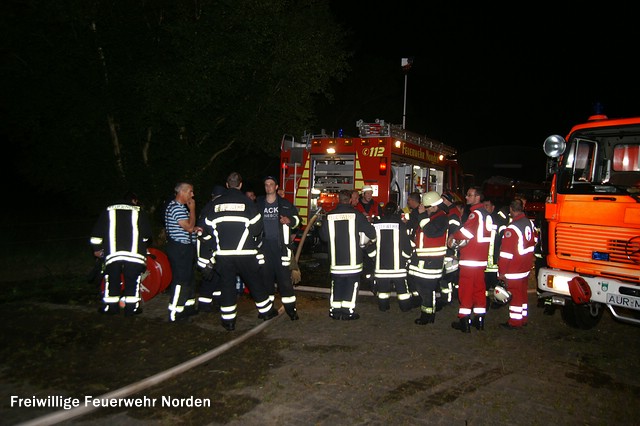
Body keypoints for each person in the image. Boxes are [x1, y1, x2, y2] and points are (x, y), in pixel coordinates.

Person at [200, 172, 278, 331]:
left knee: (227, 286)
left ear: (227, 185)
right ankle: (266, 312)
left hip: (224, 255)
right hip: (246, 254)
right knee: (255, 283)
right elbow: (257, 229)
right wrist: (251, 243)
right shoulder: (248, 203)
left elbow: (207, 229)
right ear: (241, 185)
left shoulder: (215, 205)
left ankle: (228, 321)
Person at [90, 191, 153, 316]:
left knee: (112, 280)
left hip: (113, 253)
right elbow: (146, 235)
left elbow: (97, 233)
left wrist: (97, 248)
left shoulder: (108, 210)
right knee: (132, 280)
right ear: (134, 200)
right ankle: (131, 309)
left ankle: (111, 308)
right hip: (134, 254)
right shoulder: (139, 211)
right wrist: (142, 244)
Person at [320, 189, 376, 320]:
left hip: (336, 260)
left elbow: (323, 236)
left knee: (337, 285)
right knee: (351, 286)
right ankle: (347, 312)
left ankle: (335, 311)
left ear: (338, 199)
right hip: (353, 261)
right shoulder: (357, 215)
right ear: (350, 200)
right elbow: (372, 233)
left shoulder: (329, 216)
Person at [256, 175, 301, 321]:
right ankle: (267, 310)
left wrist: (290, 220)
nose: (268, 187)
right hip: (264, 248)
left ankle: (291, 310)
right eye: (266, 184)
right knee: (265, 280)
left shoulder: (285, 204)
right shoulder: (258, 205)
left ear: (276, 187)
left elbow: (298, 221)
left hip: (281, 248)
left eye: (271, 184)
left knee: (285, 281)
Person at [448, 186, 492, 333]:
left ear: (477, 197)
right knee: (479, 290)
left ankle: (464, 321)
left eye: (469, 195)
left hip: (470, 259)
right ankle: (479, 319)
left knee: (466, 290)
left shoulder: (475, 215)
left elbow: (466, 232)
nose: (466, 197)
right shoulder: (486, 214)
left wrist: (453, 236)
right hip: (481, 259)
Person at [407, 191, 449, 325]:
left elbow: (430, 232)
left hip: (432, 260)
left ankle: (427, 315)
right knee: (419, 285)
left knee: (427, 289)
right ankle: (426, 311)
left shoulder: (441, 218)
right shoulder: (433, 216)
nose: (424, 209)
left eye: (426, 207)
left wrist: (422, 216)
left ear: (433, 206)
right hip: (423, 258)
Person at [165, 182, 201, 322]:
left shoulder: (180, 208)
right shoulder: (176, 208)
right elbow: (188, 227)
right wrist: (192, 209)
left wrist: (194, 227)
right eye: (190, 192)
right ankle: (175, 312)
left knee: (189, 278)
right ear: (183, 192)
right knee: (181, 279)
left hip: (185, 247)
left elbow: (188, 227)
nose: (192, 195)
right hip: (179, 248)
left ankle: (187, 307)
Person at [498, 198, 536, 329]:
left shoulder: (512, 228)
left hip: (514, 267)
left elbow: (506, 253)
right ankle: (523, 318)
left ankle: (515, 321)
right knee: (522, 293)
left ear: (511, 209)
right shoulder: (529, 223)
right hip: (525, 265)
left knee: (515, 295)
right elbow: (534, 240)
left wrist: (502, 272)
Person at [371, 201, 413, 312]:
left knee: (383, 291)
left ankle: (383, 307)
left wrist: (374, 257)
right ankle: (405, 307)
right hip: (398, 267)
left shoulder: (376, 224)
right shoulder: (401, 225)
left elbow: (370, 243)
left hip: (381, 266)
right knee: (402, 291)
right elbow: (406, 244)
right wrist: (406, 257)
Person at [196, 185, 227, 313]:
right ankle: (204, 305)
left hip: (211, 251)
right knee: (209, 279)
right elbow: (204, 232)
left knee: (217, 278)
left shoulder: (209, 207)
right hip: (209, 253)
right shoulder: (211, 209)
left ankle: (217, 302)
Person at [483, 198, 509, 306]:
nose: (485, 208)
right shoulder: (482, 219)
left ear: (493, 207)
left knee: (497, 284)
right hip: (484, 261)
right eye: (483, 205)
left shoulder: (498, 220)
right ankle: (485, 302)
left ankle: (500, 301)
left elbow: (505, 237)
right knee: (484, 285)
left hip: (494, 260)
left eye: (487, 206)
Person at [438, 191, 461, 307]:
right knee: (449, 277)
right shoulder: (450, 212)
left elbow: (454, 233)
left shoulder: (452, 214)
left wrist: (452, 251)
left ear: (447, 200)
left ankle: (446, 299)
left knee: (447, 277)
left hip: (450, 251)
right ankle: (450, 297)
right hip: (449, 250)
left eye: (442, 199)